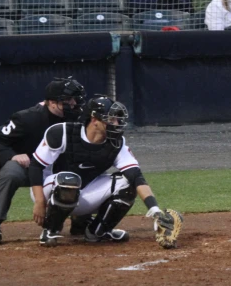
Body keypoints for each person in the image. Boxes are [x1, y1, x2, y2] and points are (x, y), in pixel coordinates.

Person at [28, 96, 178, 247]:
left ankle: (97, 232)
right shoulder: (61, 132)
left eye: (118, 120)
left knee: (127, 183)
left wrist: (154, 209)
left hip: (85, 193)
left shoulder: (116, 143)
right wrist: (40, 201)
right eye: (112, 119)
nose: (117, 124)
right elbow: (35, 166)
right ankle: (50, 230)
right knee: (69, 180)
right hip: (49, 192)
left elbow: (136, 176)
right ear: (94, 120)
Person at [0, 77, 86, 245]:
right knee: (11, 171)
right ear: (51, 102)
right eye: (67, 100)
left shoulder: (78, 118)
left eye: (74, 99)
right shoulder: (28, 118)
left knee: (85, 165)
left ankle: (81, 218)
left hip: (58, 168)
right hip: (29, 168)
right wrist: (11, 155)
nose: (73, 103)